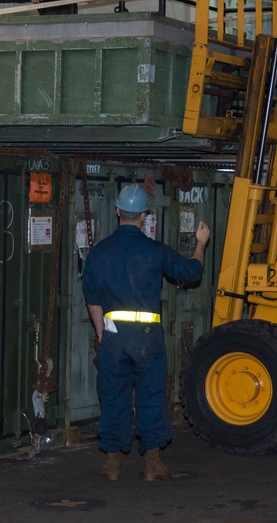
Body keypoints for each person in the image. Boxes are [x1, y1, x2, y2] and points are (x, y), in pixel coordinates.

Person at [83, 183, 210, 482]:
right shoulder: (155, 251)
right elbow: (192, 273)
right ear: (144, 215)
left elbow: (92, 299)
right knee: (151, 396)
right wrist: (200, 243)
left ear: (117, 212)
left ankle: (112, 464)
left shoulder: (99, 253)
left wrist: (102, 332)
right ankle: (152, 463)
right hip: (147, 338)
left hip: (114, 336)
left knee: (113, 396)